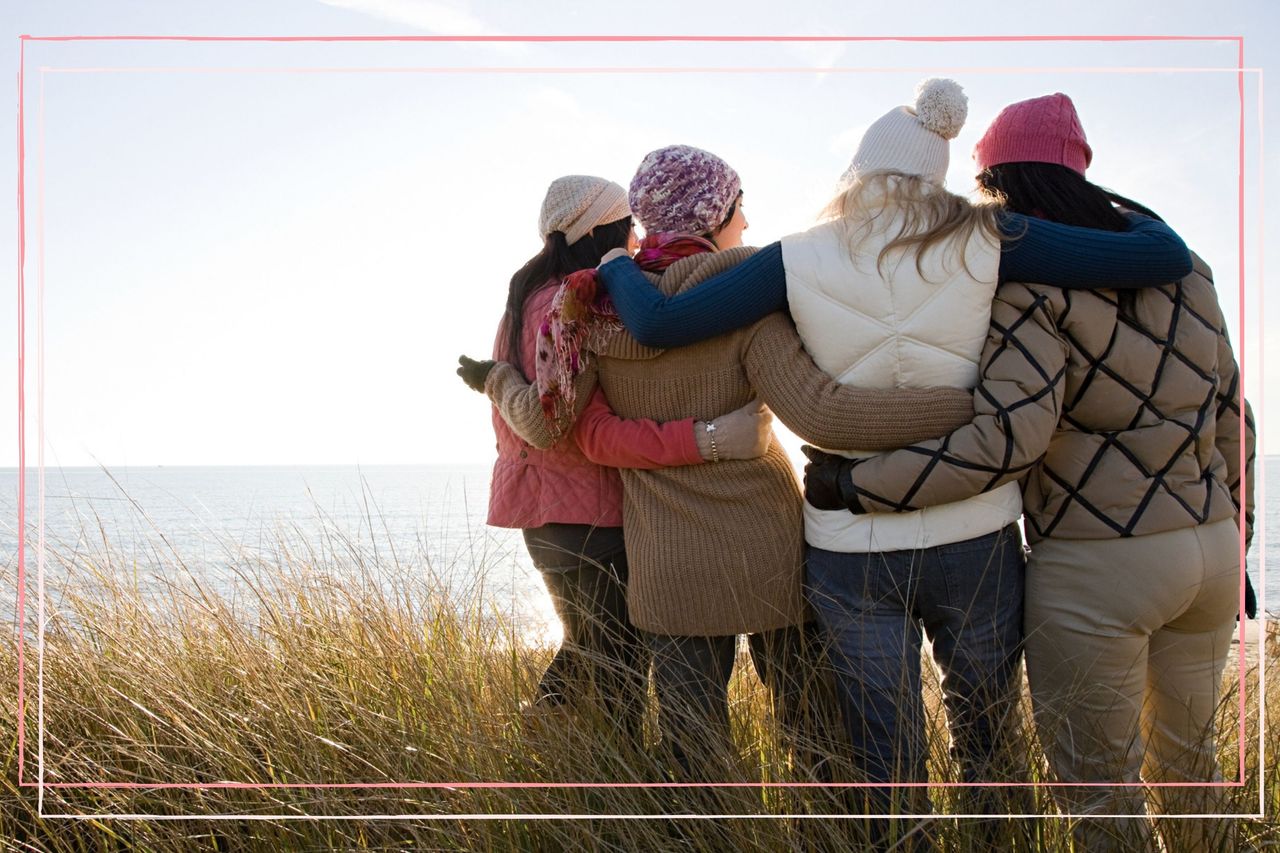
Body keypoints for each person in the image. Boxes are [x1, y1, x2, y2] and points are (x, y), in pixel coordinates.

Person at [804, 92, 1255, 852]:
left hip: (1099, 561)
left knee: (1101, 787)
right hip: (1209, 550)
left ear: (997, 183)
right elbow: (1233, 418)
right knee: (1195, 768)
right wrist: (1240, 536)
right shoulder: (1189, 266)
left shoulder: (1028, 285)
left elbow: (1011, 435)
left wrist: (857, 486)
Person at [466, 146, 980, 787]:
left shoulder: (591, 309)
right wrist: (963, 406)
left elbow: (584, 434)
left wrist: (498, 381)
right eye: (738, 208)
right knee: (813, 732)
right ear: (714, 216)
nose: (745, 222)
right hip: (767, 545)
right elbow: (824, 415)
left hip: (666, 556)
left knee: (692, 753)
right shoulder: (748, 301)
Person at [467, 175, 776, 756]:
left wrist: (495, 377)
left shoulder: (520, 300)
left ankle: (539, 762)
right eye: (626, 226)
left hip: (544, 517)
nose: (634, 239)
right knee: (617, 676)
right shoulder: (574, 302)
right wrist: (498, 380)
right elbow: (544, 421)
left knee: (587, 650)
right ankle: (598, 793)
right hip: (591, 518)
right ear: (603, 229)